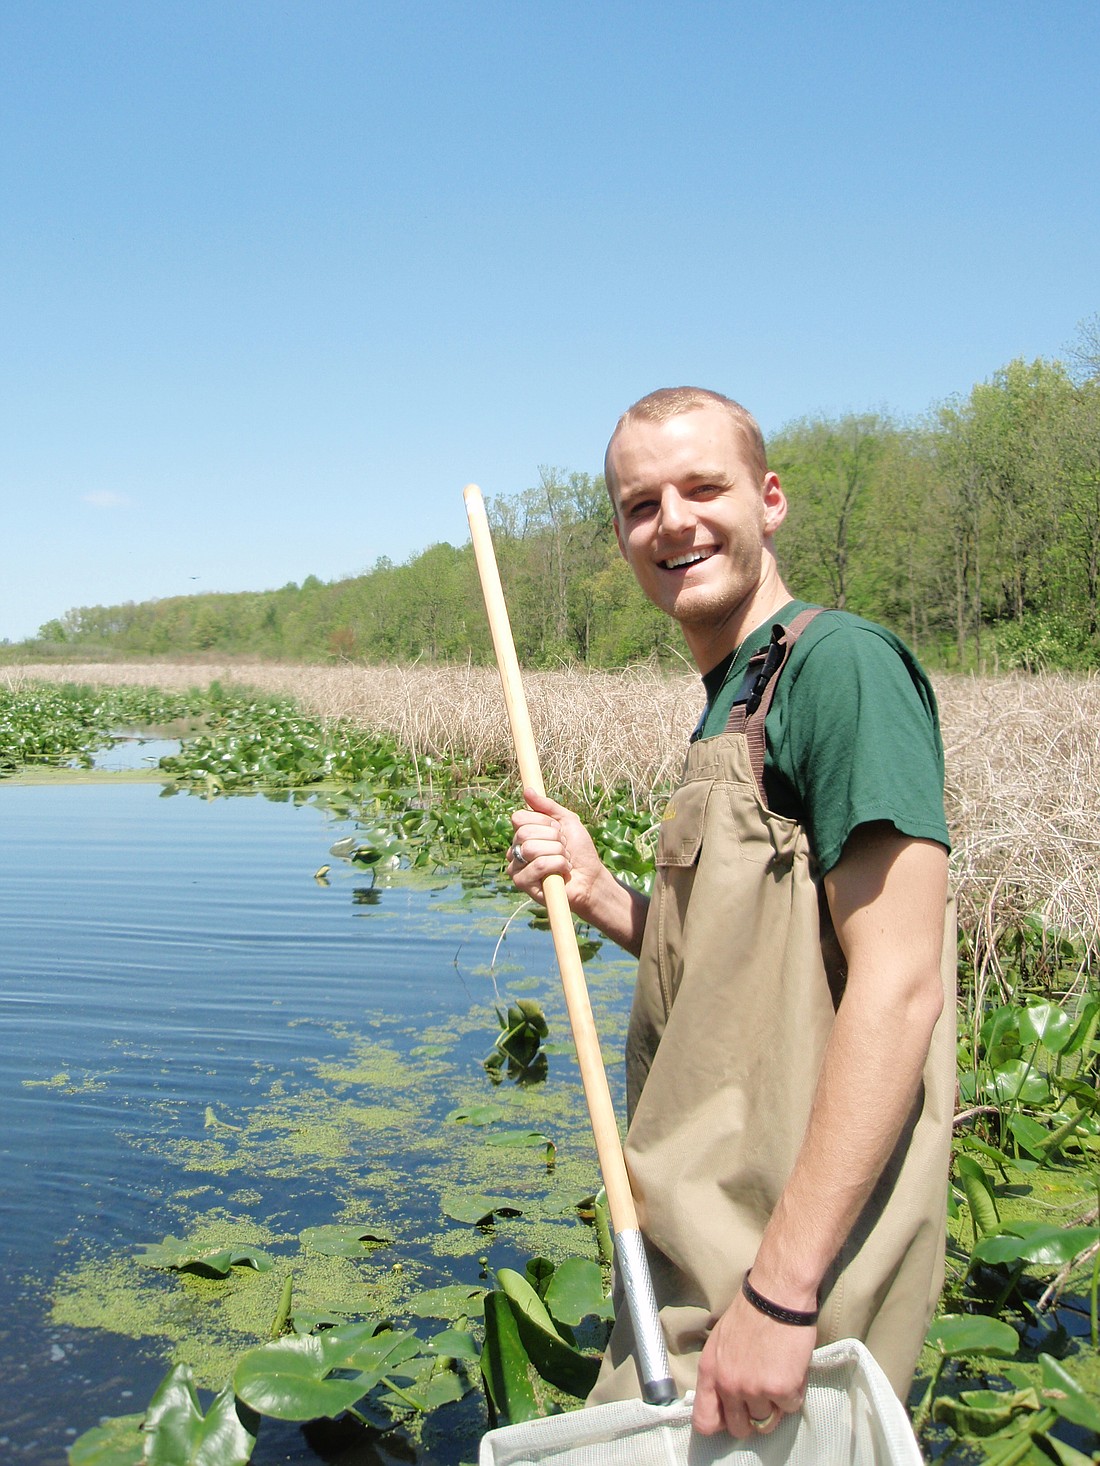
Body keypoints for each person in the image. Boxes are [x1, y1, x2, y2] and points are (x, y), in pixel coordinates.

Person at [507, 387, 955, 1441]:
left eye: (702, 487)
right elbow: (735, 970)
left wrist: (780, 1292)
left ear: (769, 500)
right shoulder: (732, 698)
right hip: (696, 1239)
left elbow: (898, 985)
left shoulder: (838, 669)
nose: (672, 521)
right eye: (638, 503)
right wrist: (598, 889)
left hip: (780, 1263)